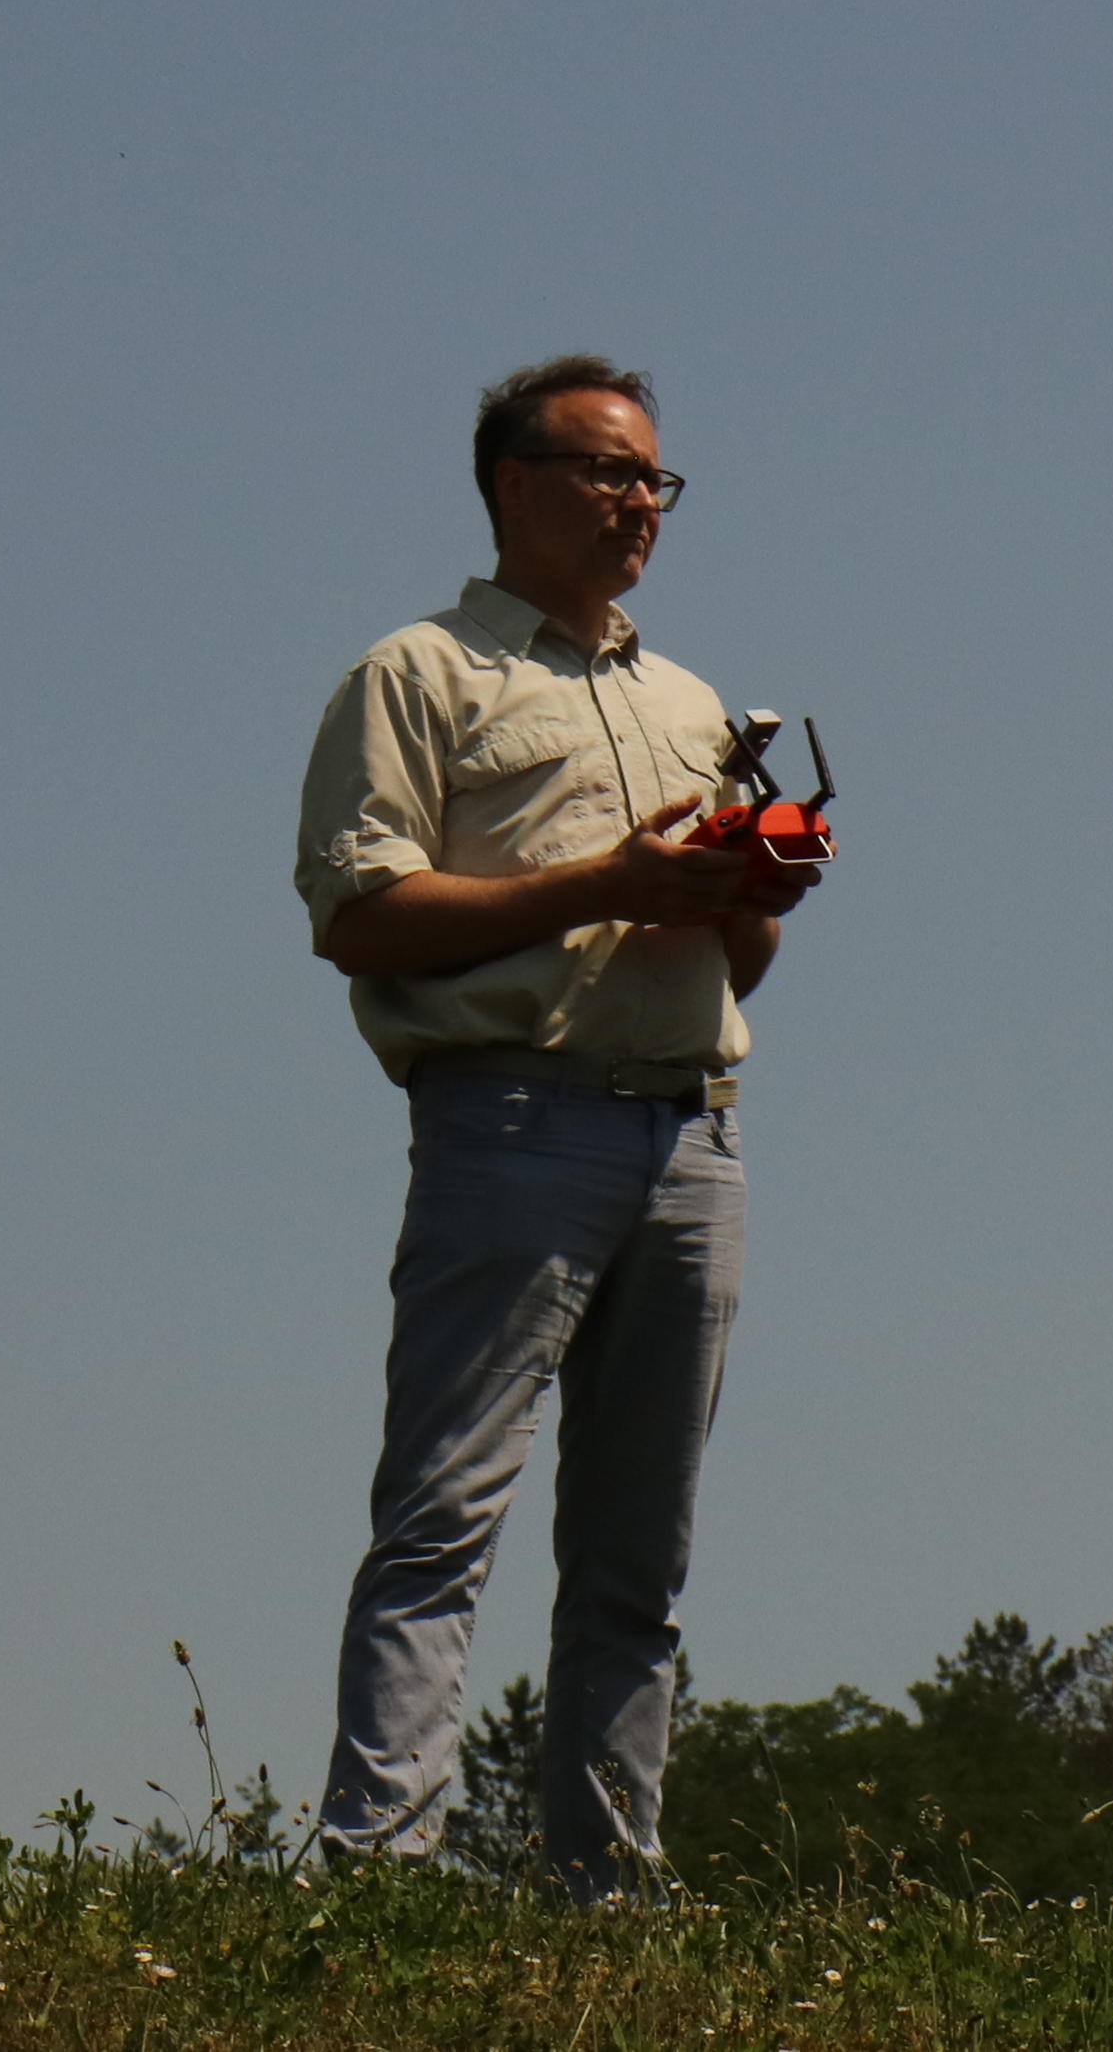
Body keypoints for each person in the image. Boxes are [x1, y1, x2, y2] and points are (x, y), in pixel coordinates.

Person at [291, 355, 812, 1888]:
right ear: (514, 482)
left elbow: (734, 956)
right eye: (606, 471)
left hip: (691, 1135)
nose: (639, 503)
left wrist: (749, 886)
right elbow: (362, 917)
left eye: (655, 478)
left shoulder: (690, 699)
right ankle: (382, 1867)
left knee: (639, 1560)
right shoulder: (420, 672)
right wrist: (605, 882)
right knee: (443, 1517)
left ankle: (604, 1886)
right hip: (513, 1120)